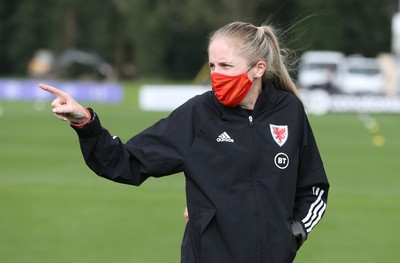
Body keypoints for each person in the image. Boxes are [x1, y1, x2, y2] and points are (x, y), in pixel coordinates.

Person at [39, 21, 329, 263]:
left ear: (258, 68)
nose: (216, 75)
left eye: (226, 65)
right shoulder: (199, 114)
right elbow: (125, 163)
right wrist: (84, 122)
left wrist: (294, 233)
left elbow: (313, 187)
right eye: (213, 65)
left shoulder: (289, 111)